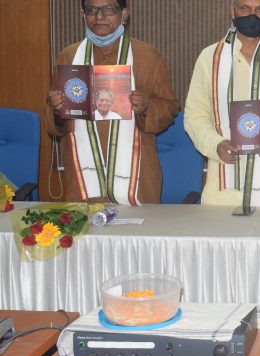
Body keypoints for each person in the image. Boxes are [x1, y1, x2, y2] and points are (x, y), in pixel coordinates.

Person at [44, 0, 179, 205]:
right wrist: (56, 110)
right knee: (85, 235)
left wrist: (146, 107)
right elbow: (53, 124)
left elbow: (169, 109)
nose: (99, 16)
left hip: (138, 179)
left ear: (124, 14)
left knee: (137, 236)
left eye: (108, 9)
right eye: (92, 10)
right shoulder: (69, 57)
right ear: (83, 14)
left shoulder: (147, 56)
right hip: (82, 180)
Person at [184, 0, 260, 207]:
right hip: (221, 190)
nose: (253, 15)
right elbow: (194, 115)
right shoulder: (210, 58)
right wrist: (216, 144)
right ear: (232, 11)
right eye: (245, 8)